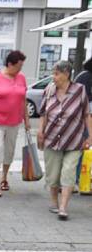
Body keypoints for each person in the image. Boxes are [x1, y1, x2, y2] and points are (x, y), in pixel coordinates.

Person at [37, 60, 92, 220]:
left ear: (66, 74)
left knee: (68, 173)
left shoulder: (79, 90)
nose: (53, 77)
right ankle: (54, 201)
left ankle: (63, 207)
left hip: (74, 139)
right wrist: (40, 131)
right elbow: (43, 113)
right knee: (53, 175)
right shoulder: (49, 90)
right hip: (52, 138)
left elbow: (86, 114)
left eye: (56, 73)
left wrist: (90, 135)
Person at [0, 50, 30, 197]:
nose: (20, 70)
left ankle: (4, 177)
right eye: (18, 66)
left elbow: (23, 100)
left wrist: (27, 120)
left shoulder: (21, 78)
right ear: (10, 64)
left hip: (14, 121)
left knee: (9, 151)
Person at [73, 56, 92, 187]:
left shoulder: (83, 75)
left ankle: (78, 178)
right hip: (84, 118)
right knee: (82, 148)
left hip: (81, 118)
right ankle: (76, 178)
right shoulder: (87, 77)